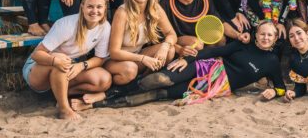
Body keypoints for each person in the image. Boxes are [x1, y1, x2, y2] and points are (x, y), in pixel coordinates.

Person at [73, 20, 284, 110]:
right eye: (262, 34)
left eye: (269, 36)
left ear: (275, 39)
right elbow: (213, 51)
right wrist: (187, 59)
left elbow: (281, 86)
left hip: (213, 88)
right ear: (256, 34)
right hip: (206, 67)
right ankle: (107, 93)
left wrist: (275, 92)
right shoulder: (241, 45)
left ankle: (95, 104)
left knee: (157, 95)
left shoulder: (272, 61)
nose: (265, 38)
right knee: (159, 79)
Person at [22, 0, 112, 120]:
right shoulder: (67, 24)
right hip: (38, 69)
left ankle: (61, 93)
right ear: (82, 7)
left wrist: (81, 66)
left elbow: (100, 58)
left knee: (104, 79)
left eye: (99, 7)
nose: (94, 11)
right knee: (62, 59)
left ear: (104, 8)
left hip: (67, 65)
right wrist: (55, 61)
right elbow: (37, 55)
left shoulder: (105, 27)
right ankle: (65, 110)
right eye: (90, 6)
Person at [104, 0, 178, 85]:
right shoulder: (122, 12)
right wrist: (143, 58)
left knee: (170, 50)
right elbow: (114, 52)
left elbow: (171, 34)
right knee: (130, 69)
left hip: (138, 55)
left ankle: (143, 82)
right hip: (116, 60)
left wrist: (165, 46)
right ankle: (118, 89)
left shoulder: (155, 9)